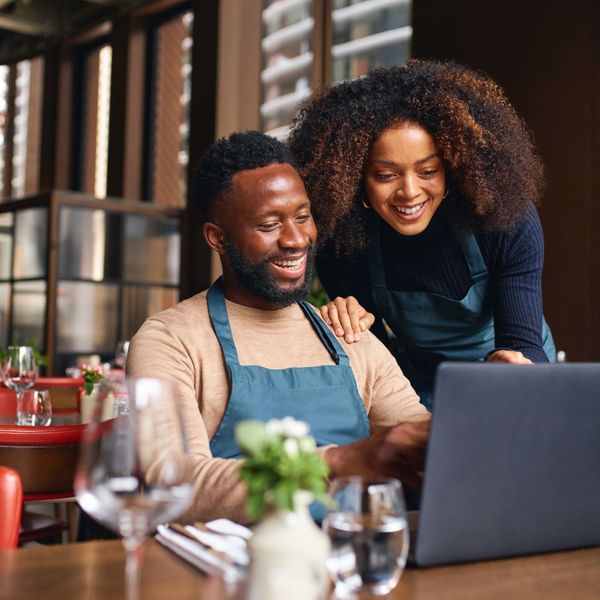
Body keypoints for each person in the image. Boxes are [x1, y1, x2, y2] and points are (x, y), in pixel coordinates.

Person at [127, 131, 429, 524]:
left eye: (303, 216)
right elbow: (173, 482)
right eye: (270, 224)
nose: (296, 239)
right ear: (217, 238)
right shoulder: (171, 340)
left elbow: (418, 441)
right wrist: (340, 462)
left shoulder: (348, 333)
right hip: (229, 575)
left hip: (355, 561)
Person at [288, 60, 556, 409]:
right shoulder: (344, 243)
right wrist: (347, 325)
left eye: (428, 170)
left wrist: (511, 367)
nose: (410, 192)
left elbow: (524, 344)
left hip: (513, 377)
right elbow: (377, 364)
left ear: (453, 169)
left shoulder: (504, 221)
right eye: (386, 175)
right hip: (422, 386)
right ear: (355, 181)